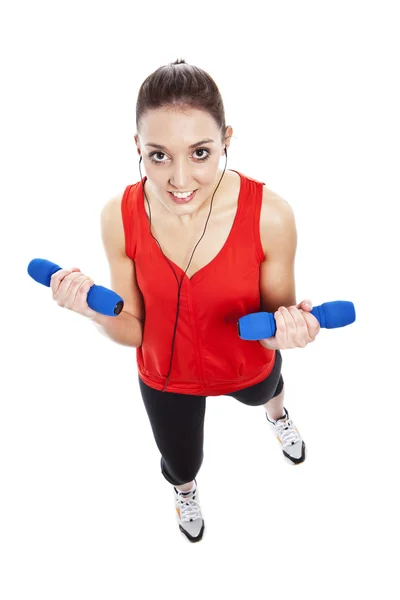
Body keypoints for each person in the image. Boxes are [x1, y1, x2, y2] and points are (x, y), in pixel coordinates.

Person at [50, 58, 321, 544]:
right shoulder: (119, 215)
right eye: (158, 155)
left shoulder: (271, 215)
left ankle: (277, 414)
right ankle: (185, 491)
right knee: (180, 461)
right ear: (137, 146)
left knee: (268, 388)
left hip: (246, 363)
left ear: (227, 141)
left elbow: (277, 314)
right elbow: (133, 325)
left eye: (200, 152)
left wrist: (291, 330)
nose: (179, 179)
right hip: (167, 372)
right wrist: (91, 310)